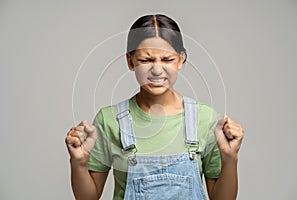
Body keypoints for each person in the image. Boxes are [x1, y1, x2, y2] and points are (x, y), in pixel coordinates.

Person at [65, 14, 244, 200]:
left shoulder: (205, 119)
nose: (157, 70)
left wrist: (230, 158)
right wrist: (78, 162)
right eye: (146, 60)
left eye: (167, 60)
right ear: (130, 60)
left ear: (181, 60)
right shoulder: (110, 120)